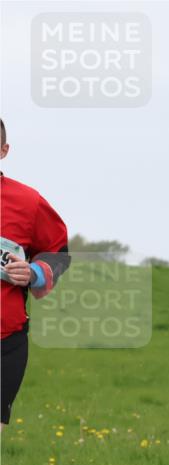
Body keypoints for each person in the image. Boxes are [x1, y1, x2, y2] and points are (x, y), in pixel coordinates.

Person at [0, 118, 71, 429]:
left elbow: (58, 254)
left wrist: (32, 274)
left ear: (3, 150)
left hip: (5, 341)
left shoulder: (27, 202)